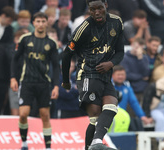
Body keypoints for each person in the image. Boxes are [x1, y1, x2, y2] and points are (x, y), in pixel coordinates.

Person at [61, 0, 124, 149]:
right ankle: (96, 143)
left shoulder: (117, 22)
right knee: (95, 115)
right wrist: (66, 80)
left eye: (100, 8)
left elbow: (120, 51)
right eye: (92, 9)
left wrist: (111, 63)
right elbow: (66, 55)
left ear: (106, 5)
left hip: (106, 75)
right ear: (89, 10)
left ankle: (94, 144)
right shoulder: (83, 29)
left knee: (111, 107)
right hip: (87, 74)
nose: (96, 12)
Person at [10, 12, 59, 150]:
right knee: (23, 114)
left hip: (44, 83)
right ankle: (24, 143)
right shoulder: (25, 39)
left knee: (45, 115)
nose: (41, 24)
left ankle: (48, 147)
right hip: (26, 82)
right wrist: (13, 77)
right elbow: (15, 59)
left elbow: (56, 66)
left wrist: (56, 86)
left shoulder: (52, 43)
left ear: (47, 23)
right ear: (34, 23)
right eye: (38, 21)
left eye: (43, 21)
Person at [121, 38, 149, 105]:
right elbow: (126, 75)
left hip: (143, 89)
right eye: (136, 47)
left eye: (140, 48)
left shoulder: (144, 58)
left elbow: (146, 74)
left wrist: (140, 59)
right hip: (130, 88)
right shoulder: (125, 57)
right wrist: (141, 77)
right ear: (132, 45)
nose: (138, 50)